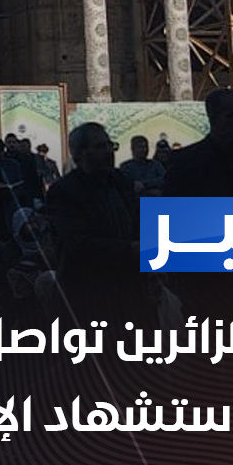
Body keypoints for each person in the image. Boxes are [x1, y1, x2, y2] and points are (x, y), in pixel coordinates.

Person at [46, 122, 143, 319]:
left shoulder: (119, 180)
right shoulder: (64, 191)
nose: (108, 152)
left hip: (128, 291)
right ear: (80, 154)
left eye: (110, 145)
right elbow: (78, 245)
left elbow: (137, 219)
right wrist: (130, 249)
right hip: (88, 296)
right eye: (100, 147)